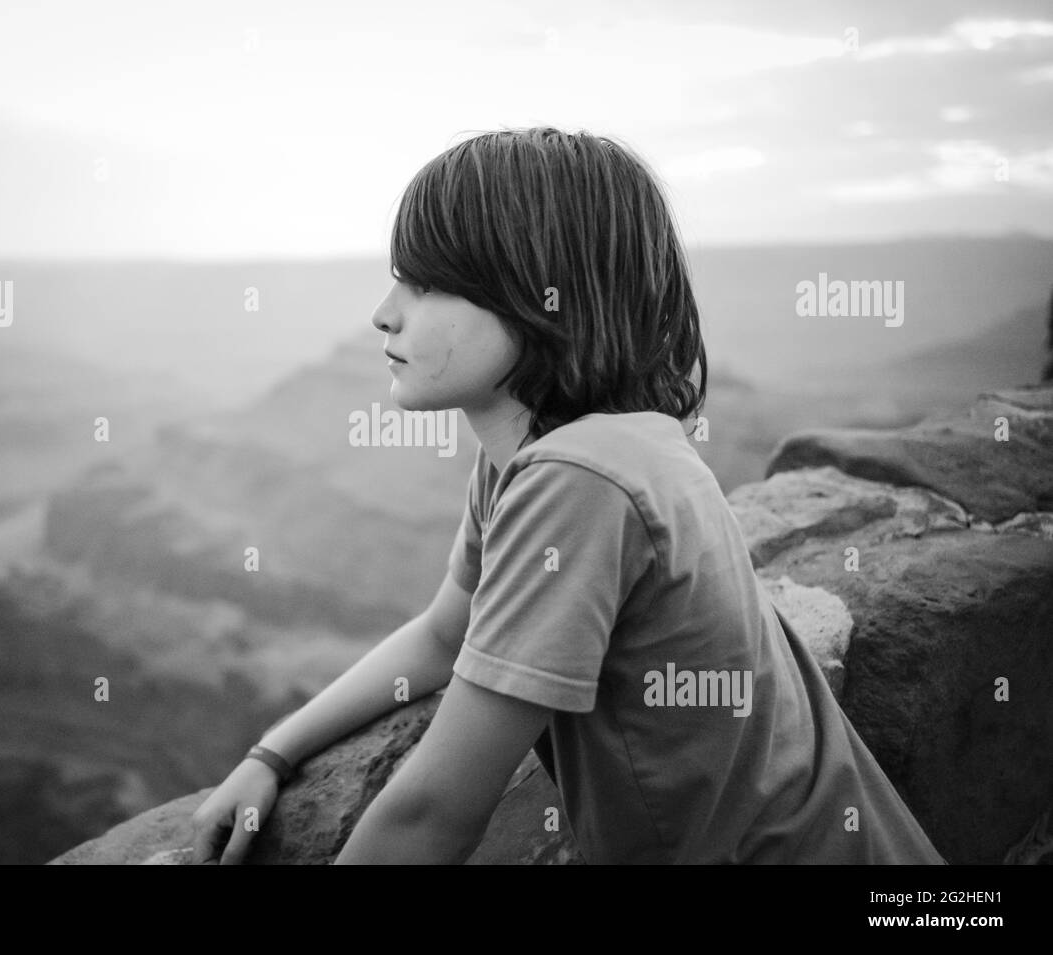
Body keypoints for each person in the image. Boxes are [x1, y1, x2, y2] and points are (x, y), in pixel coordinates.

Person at [188, 126, 946, 865]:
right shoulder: (558, 450)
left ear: (537, 298)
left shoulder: (578, 481)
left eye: (424, 282)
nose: (385, 312)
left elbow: (435, 814)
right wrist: (272, 753)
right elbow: (447, 637)